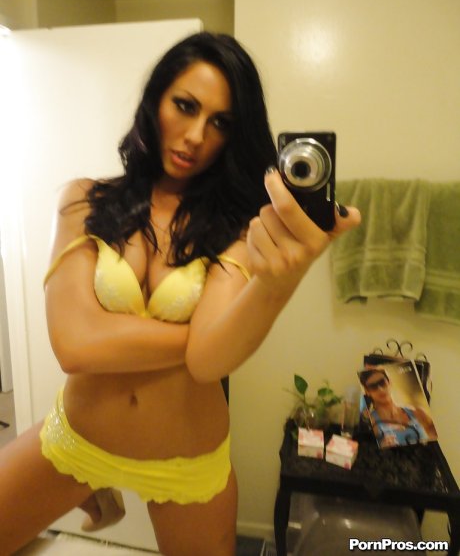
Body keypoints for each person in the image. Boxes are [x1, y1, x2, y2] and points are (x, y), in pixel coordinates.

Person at [0, 31, 360, 556]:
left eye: (220, 123)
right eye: (185, 106)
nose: (195, 136)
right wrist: (194, 334)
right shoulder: (83, 199)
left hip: (186, 464)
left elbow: (209, 361)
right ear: (155, 100)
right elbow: (74, 345)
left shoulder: (242, 227)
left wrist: (277, 285)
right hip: (76, 440)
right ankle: (94, 489)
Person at [359, 368, 437, 448]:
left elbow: (436, 442)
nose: (380, 389)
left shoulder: (417, 412)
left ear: (389, 382)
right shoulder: (371, 422)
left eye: (382, 382)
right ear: (367, 391)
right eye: (373, 386)